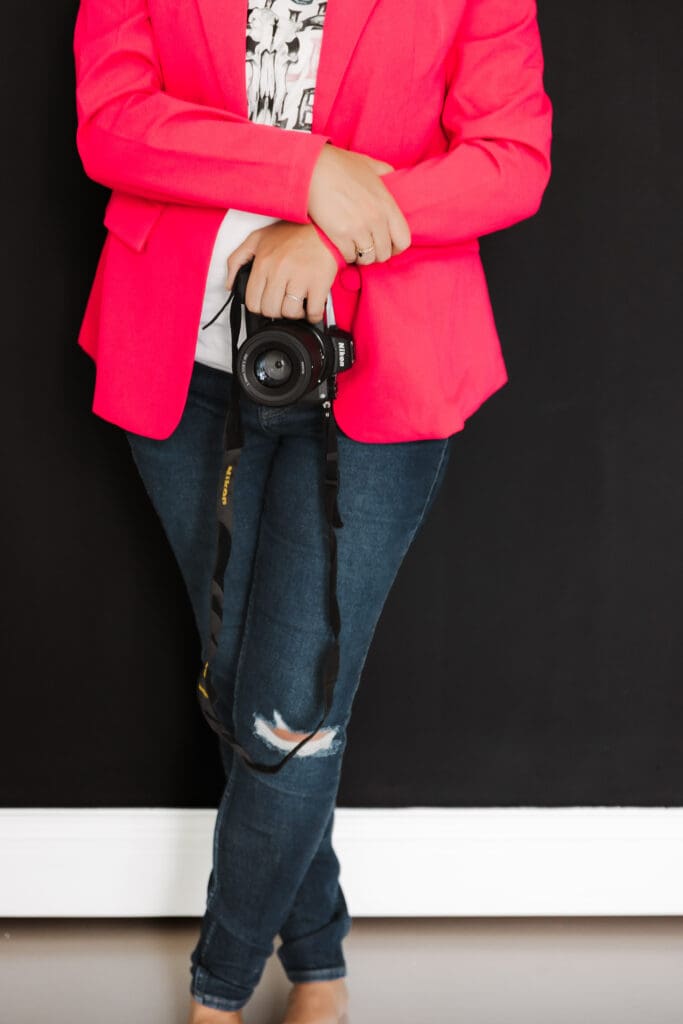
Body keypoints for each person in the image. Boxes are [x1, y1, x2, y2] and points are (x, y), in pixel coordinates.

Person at [72, 1, 553, 1021]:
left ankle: (216, 994)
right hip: (184, 359)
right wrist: (302, 172)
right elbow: (110, 118)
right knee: (244, 683)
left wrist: (334, 232)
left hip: (381, 358)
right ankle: (321, 966)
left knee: (290, 713)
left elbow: (511, 155)